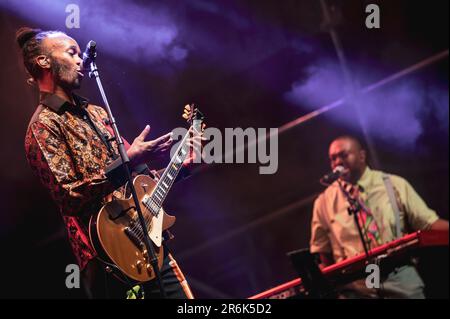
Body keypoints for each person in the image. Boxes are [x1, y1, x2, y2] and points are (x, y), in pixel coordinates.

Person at [18, 27, 194, 299]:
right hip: (108, 259)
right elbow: (69, 196)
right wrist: (127, 162)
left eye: (80, 54)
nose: (81, 61)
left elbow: (136, 183)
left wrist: (179, 170)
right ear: (43, 61)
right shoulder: (43, 127)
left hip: (147, 243)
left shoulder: (98, 114)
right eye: (71, 53)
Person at [310, 135, 449, 298]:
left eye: (344, 155)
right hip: (357, 287)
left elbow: (428, 223)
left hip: (399, 278)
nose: (338, 162)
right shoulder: (323, 202)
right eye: (333, 158)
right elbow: (322, 251)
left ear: (362, 156)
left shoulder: (394, 184)